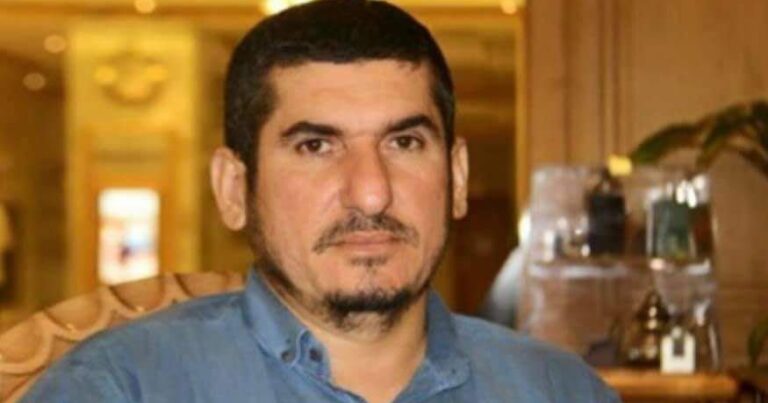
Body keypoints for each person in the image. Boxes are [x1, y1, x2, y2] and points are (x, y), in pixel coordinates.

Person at [23, 1, 619, 401]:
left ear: (456, 177)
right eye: (315, 146)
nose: (371, 191)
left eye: (405, 143)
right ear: (234, 189)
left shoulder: (558, 390)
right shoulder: (119, 389)